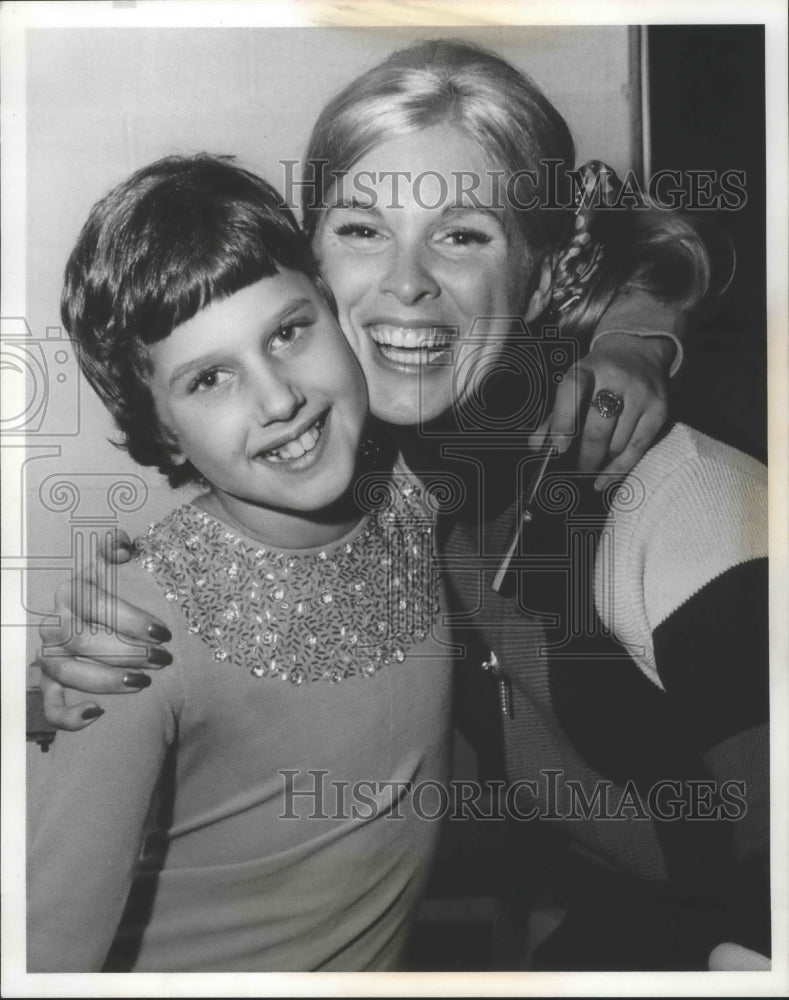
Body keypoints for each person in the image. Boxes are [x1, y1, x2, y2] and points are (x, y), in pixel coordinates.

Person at [32, 40, 759, 970]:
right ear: (309, 268)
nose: (406, 280)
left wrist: (637, 339)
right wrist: (51, 696)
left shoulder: (672, 499)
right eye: (362, 230)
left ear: (543, 275)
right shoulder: (387, 479)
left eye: (462, 234)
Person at [28, 154, 458, 972]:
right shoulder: (129, 632)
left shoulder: (413, 480)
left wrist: (638, 340)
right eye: (210, 378)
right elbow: (45, 954)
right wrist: (33, 703)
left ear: (337, 309)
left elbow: (599, 242)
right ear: (159, 432)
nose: (277, 399)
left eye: (289, 331)